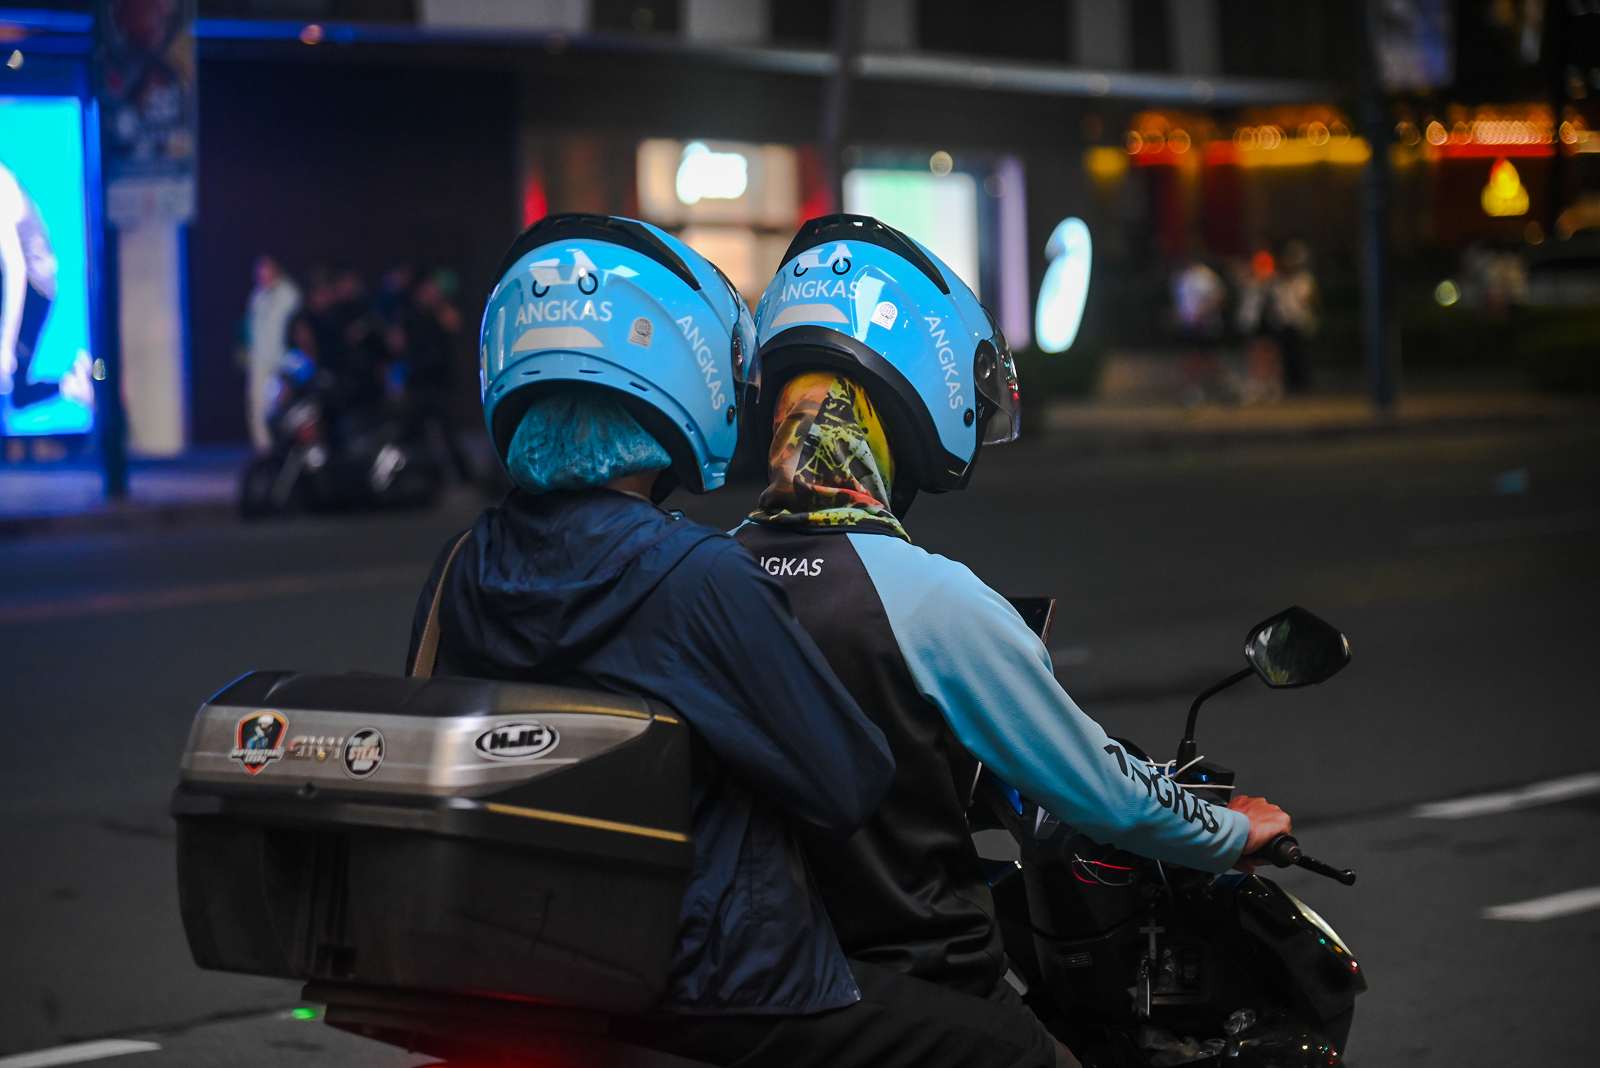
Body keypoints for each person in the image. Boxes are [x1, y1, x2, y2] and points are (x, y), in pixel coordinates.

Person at [734, 215, 1295, 1060]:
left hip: (752, 991)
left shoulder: (703, 577)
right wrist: (1229, 831)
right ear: (919, 380)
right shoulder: (929, 600)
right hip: (917, 990)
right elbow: (1100, 789)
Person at [0, 160, 91, 425]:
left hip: (32, 285)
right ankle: (71, 384)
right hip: (17, 277)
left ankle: (80, 381)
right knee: (16, 393)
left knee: (12, 389)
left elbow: (15, 268)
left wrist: (6, 345)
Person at [243, 255, 300, 452]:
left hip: (282, 360)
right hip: (260, 360)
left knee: (280, 405)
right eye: (259, 272)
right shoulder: (257, 297)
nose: (262, 276)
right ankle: (264, 448)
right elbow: (251, 328)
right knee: (258, 405)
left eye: (266, 271)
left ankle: (283, 447)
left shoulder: (289, 294)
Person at [1267, 240, 1319, 394]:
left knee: (1301, 355)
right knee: (1286, 356)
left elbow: (1308, 300)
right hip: (1284, 323)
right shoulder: (1279, 281)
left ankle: (1304, 385)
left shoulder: (1304, 279)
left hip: (1300, 322)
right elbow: (1275, 302)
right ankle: (1290, 385)